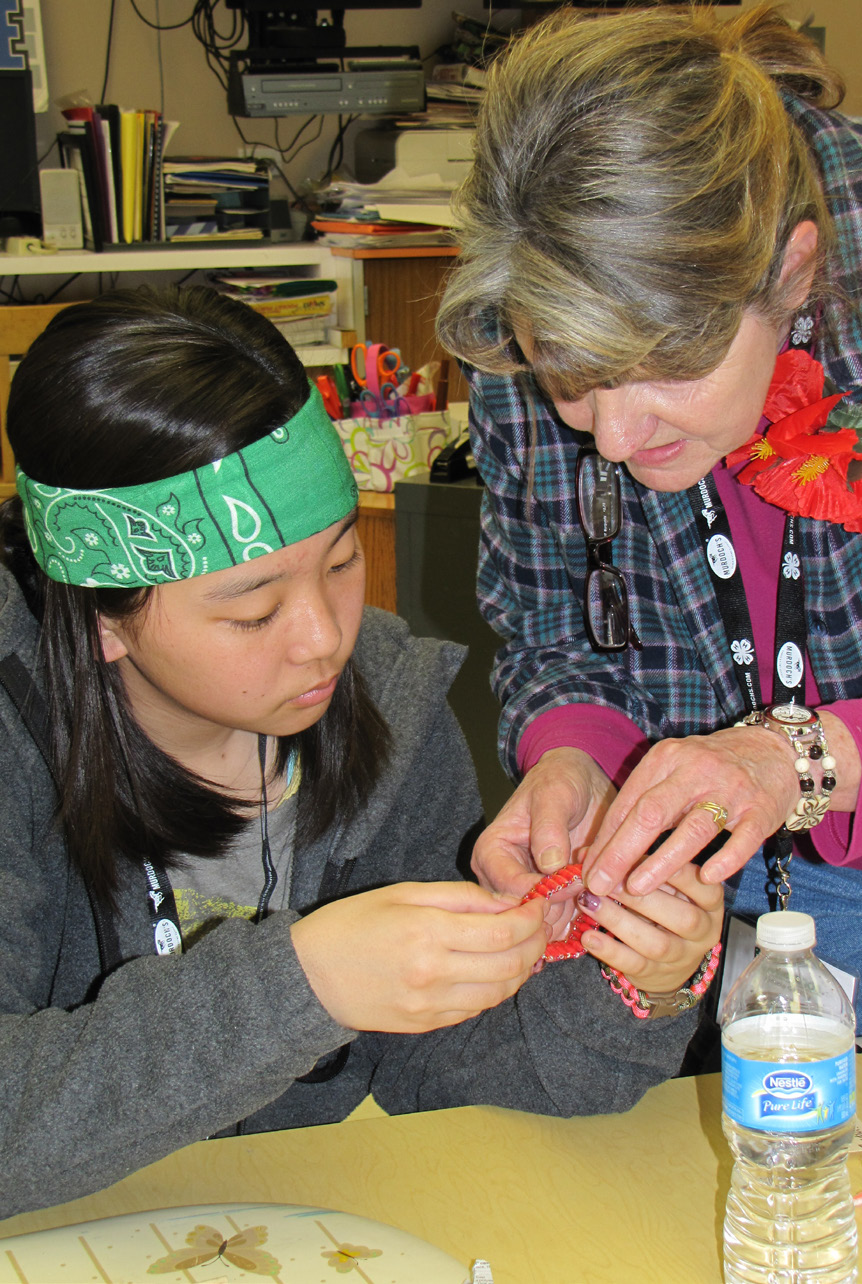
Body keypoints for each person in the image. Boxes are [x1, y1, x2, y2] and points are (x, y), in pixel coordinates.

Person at [0, 284, 722, 1221]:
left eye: (341, 562)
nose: (322, 639)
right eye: (252, 609)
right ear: (100, 618)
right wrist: (304, 985)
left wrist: (631, 979)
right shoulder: (20, 743)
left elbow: (446, 1075)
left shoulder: (385, 707)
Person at [436, 3, 862, 1039]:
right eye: (571, 379)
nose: (607, 435)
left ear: (789, 274)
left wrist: (790, 762)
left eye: (659, 370)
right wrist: (572, 761)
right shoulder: (535, 290)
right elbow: (552, 624)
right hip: (726, 904)